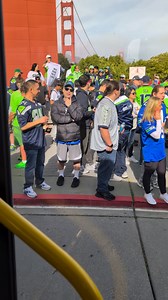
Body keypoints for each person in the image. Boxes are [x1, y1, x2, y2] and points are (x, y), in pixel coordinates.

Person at [17, 80, 51, 198]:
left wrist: (44, 126)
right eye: (37, 89)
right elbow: (23, 126)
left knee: (40, 163)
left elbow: (40, 121)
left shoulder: (37, 103)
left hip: (40, 139)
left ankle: (40, 182)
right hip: (31, 141)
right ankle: (27, 187)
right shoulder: (23, 106)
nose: (39, 91)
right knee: (30, 166)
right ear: (31, 90)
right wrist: (39, 121)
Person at [90, 80, 120, 201]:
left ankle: (104, 184)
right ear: (115, 91)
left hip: (107, 141)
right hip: (106, 144)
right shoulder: (106, 105)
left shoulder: (108, 103)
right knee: (106, 166)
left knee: (107, 167)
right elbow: (103, 127)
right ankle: (102, 190)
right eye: (119, 89)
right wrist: (109, 143)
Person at [51, 81, 83, 188]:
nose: (69, 91)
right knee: (61, 159)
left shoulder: (77, 103)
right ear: (63, 89)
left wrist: (69, 107)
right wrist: (71, 119)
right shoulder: (56, 103)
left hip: (74, 137)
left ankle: (76, 177)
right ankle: (61, 175)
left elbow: (79, 117)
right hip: (61, 137)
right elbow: (56, 119)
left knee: (76, 159)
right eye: (67, 89)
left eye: (71, 90)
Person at [140, 96, 168, 205]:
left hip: (160, 150)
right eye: (160, 105)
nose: (162, 107)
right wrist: (158, 121)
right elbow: (156, 135)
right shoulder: (146, 121)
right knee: (149, 173)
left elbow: (162, 131)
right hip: (151, 151)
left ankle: (163, 193)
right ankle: (147, 193)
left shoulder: (159, 118)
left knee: (162, 172)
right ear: (153, 107)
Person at [76, 74, 95, 174]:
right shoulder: (82, 96)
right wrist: (92, 112)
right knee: (83, 146)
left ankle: (84, 164)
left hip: (86, 123)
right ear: (88, 82)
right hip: (83, 125)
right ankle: (79, 167)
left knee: (85, 145)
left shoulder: (83, 94)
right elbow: (82, 113)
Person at [9, 77, 27, 168]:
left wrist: (9, 121)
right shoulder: (27, 93)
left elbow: (13, 112)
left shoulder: (14, 95)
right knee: (24, 142)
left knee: (21, 143)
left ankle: (24, 161)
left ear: (17, 84)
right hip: (27, 121)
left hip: (17, 122)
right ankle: (22, 156)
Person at [125, 87, 140, 163]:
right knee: (126, 141)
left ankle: (130, 155)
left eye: (135, 93)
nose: (135, 95)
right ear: (128, 94)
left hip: (134, 125)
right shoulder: (126, 103)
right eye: (133, 93)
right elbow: (130, 114)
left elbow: (139, 111)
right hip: (128, 125)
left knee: (131, 142)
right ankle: (124, 157)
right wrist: (134, 114)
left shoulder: (135, 103)